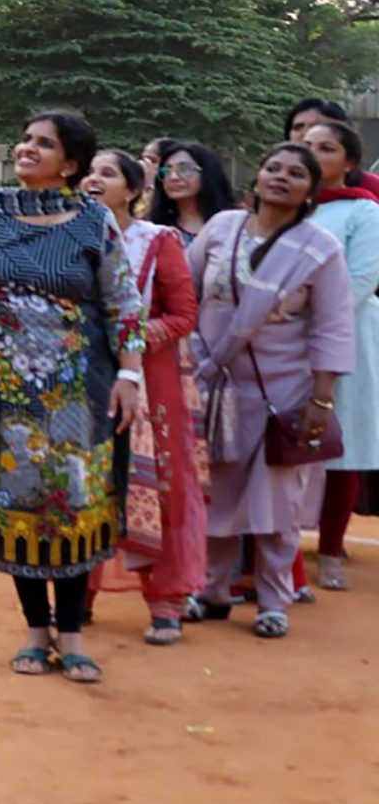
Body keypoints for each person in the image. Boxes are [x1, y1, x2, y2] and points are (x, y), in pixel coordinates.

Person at [0, 112, 144, 684]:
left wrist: (131, 377)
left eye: (42, 144)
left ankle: (71, 634)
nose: (27, 148)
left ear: (69, 163)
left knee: (71, 506)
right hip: (1, 389)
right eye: (25, 139)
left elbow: (123, 306)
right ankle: (34, 628)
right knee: (16, 504)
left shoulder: (95, 221)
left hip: (78, 390)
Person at [186, 142, 354, 640]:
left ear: (310, 189)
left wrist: (320, 400)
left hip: (285, 394)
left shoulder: (320, 249)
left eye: (296, 173)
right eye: (273, 168)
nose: (281, 177)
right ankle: (212, 590)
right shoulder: (221, 228)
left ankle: (274, 601)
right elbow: (183, 293)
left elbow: (332, 328)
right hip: (213, 385)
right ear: (256, 178)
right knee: (216, 491)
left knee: (277, 503)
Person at [83, 149, 207, 643]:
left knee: (161, 486)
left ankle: (167, 602)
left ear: (133, 190)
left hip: (152, 384)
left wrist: (130, 335)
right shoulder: (69, 237)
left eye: (107, 174)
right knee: (86, 484)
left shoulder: (157, 241)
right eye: (90, 172)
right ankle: (78, 597)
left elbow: (183, 314)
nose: (95, 180)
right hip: (86, 380)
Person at [300, 119, 379, 592]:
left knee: (340, 441)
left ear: (348, 162)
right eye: (305, 145)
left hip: (345, 335)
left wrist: (311, 322)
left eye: (325, 148)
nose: (312, 153)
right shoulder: (288, 207)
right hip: (282, 339)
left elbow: (361, 278)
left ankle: (330, 549)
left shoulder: (362, 212)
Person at [150, 141, 238, 244]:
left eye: (184, 169)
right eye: (166, 171)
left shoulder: (235, 224)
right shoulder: (155, 230)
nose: (173, 177)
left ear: (207, 173)